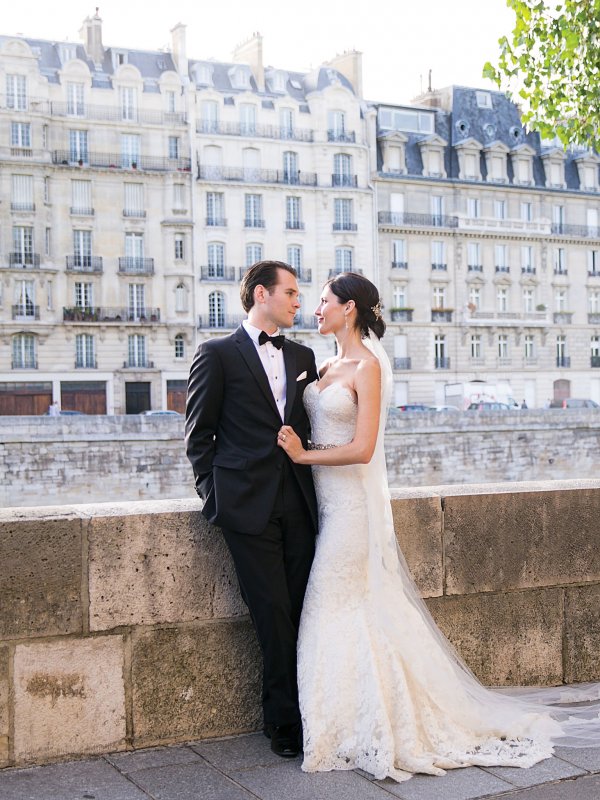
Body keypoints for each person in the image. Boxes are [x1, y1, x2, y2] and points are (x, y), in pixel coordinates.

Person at [276, 272, 600, 783]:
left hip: (352, 512)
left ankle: (360, 726)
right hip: (327, 508)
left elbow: (362, 449)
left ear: (350, 309)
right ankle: (347, 721)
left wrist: (302, 455)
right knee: (342, 613)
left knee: (330, 606)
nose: (316, 310)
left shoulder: (367, 367)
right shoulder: (324, 365)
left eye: (323, 302)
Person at [185, 260, 318, 759]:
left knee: (306, 610)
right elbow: (199, 437)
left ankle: (312, 711)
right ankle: (283, 723)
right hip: (246, 508)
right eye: (291, 292)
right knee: (272, 614)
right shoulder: (216, 354)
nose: (297, 301)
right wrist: (215, 498)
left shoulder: (304, 354)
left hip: (301, 504)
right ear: (261, 294)